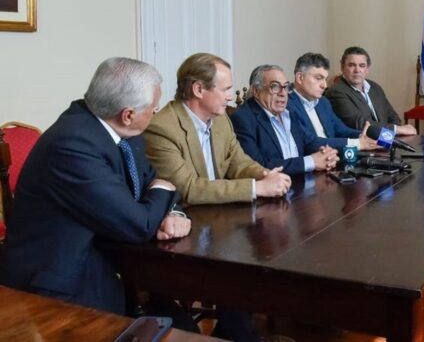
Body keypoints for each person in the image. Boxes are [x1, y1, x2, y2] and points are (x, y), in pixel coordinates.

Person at [0, 57, 191, 315]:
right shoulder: (72, 144)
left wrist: (176, 212)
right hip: (59, 287)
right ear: (128, 115)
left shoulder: (124, 133)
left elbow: (153, 183)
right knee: (173, 325)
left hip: (115, 263)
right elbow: (139, 223)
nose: (155, 114)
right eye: (154, 109)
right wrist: (163, 191)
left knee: (183, 323)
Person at [144, 53, 291, 204]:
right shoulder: (161, 129)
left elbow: (239, 163)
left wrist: (267, 175)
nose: (230, 97)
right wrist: (256, 188)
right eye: (225, 89)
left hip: (219, 210)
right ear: (198, 90)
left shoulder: (221, 120)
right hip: (186, 214)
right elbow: (187, 189)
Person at [230, 64, 340, 174]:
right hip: (274, 184)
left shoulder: (290, 112)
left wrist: (327, 156)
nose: (283, 93)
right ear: (256, 91)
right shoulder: (243, 119)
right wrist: (311, 162)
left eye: (286, 87)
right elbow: (257, 166)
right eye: (275, 86)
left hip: (303, 181)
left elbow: (308, 143)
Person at [287, 52, 378, 150]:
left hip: (334, 156)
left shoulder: (323, 102)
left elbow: (341, 130)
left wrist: (365, 136)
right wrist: (358, 143)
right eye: (318, 78)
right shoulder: (287, 105)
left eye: (325, 79)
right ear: (300, 78)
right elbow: (309, 143)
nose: (324, 85)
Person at [325, 46, 418, 136]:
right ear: (342, 67)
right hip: (360, 143)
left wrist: (387, 139)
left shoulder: (375, 87)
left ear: (367, 69)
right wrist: (397, 130)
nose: (357, 70)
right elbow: (359, 124)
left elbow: (393, 117)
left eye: (362, 65)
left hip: (384, 141)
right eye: (351, 65)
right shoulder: (335, 92)